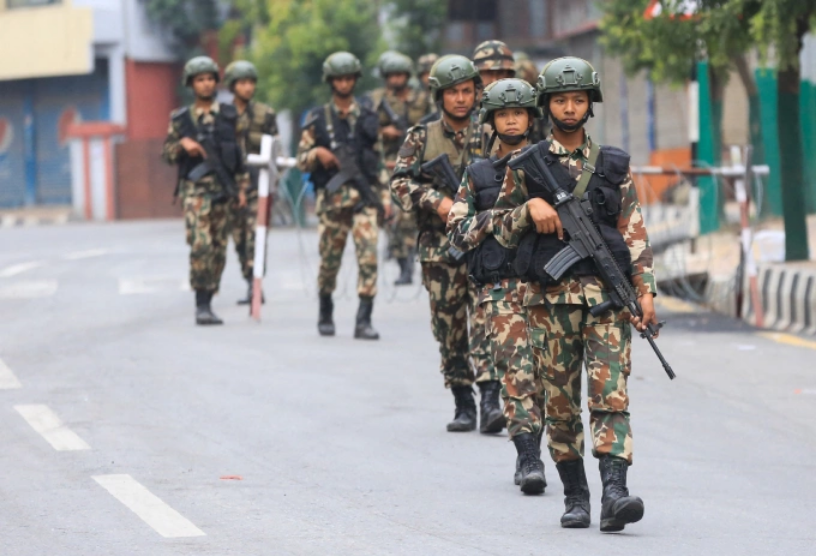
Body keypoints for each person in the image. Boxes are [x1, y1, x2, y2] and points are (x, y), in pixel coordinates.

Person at [492, 57, 657, 532]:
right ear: (547, 104)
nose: (569, 107)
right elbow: (497, 230)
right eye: (561, 100)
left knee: (611, 397)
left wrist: (645, 293)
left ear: (590, 105)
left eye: (578, 99)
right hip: (549, 303)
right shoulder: (525, 167)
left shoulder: (612, 166)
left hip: (607, 301)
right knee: (560, 404)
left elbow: (635, 233)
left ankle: (615, 492)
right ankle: (577, 495)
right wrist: (529, 209)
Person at [447, 78, 547, 493]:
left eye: (518, 113)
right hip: (502, 288)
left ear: (530, 118)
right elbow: (457, 229)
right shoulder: (478, 173)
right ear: (491, 121)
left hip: (551, 286)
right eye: (503, 114)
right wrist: (502, 218)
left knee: (550, 378)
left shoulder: (550, 166)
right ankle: (528, 458)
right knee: (517, 374)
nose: (511, 120)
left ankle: (556, 453)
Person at [390, 54, 498, 433]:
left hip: (484, 245)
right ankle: (463, 401)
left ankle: (490, 397)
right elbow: (400, 182)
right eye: (452, 92)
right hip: (440, 249)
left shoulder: (491, 133)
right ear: (439, 95)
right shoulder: (421, 137)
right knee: (449, 328)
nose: (460, 99)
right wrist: (438, 202)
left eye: (467, 91)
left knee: (487, 321)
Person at [296, 51, 387, 340]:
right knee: (329, 261)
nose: (345, 83)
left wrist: (385, 199)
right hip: (333, 201)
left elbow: (381, 161)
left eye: (349, 78)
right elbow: (300, 159)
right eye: (339, 78)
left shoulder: (369, 118)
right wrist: (317, 153)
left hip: (364, 199)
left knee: (369, 257)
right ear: (331, 82)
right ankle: (325, 308)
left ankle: (364, 318)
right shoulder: (317, 119)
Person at [162, 56, 248, 326]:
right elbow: (167, 155)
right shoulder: (181, 120)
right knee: (201, 245)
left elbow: (239, 155)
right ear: (191, 84)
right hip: (195, 191)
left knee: (219, 249)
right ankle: (201, 304)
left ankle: (209, 296)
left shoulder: (229, 115)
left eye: (210, 79)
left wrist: (242, 188)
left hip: (224, 190)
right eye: (200, 80)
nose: (206, 84)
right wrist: (181, 145)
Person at [223, 60, 279, 305]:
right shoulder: (222, 114)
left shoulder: (264, 114)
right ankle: (249, 280)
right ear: (233, 86)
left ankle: (255, 286)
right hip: (232, 185)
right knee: (239, 237)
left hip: (258, 183)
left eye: (250, 83)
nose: (247, 88)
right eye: (242, 83)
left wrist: (273, 181)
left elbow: (276, 149)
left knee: (256, 236)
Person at [377, 53, 433, 285]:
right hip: (389, 163)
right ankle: (402, 261)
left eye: (400, 75)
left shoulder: (423, 99)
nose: (397, 79)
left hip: (417, 161)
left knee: (409, 216)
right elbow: (367, 131)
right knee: (389, 216)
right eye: (392, 75)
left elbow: (435, 124)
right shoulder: (380, 102)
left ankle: (409, 264)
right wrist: (384, 132)